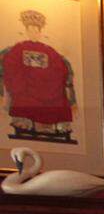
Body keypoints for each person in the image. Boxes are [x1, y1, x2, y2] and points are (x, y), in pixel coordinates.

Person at [0, 10, 77, 143]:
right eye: (30, 30)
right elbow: (10, 65)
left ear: (40, 32)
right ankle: (25, 123)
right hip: (25, 88)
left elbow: (61, 69)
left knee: (58, 96)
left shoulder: (50, 52)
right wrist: (23, 80)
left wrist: (49, 80)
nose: (33, 33)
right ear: (26, 31)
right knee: (24, 99)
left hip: (49, 88)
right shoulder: (18, 49)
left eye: (36, 31)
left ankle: (55, 126)